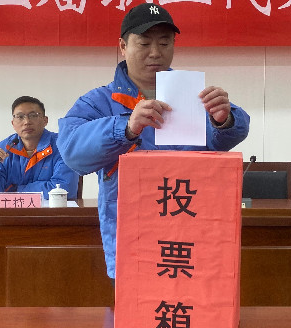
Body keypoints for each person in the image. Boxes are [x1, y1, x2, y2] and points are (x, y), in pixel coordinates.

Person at [57, 4, 249, 279]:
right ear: (123, 46)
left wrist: (224, 119)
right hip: (132, 237)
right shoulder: (98, 102)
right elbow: (72, 153)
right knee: (140, 304)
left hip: (192, 231)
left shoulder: (193, 96)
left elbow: (229, 136)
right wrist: (126, 128)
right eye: (144, 43)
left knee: (190, 303)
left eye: (164, 43)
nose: (156, 52)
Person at [0, 96, 79, 201]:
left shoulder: (63, 146)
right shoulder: (3, 149)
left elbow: (64, 190)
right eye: (20, 117)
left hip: (53, 211)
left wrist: (16, 191)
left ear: (45, 120)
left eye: (33, 115)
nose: (27, 122)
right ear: (13, 123)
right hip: (11, 211)